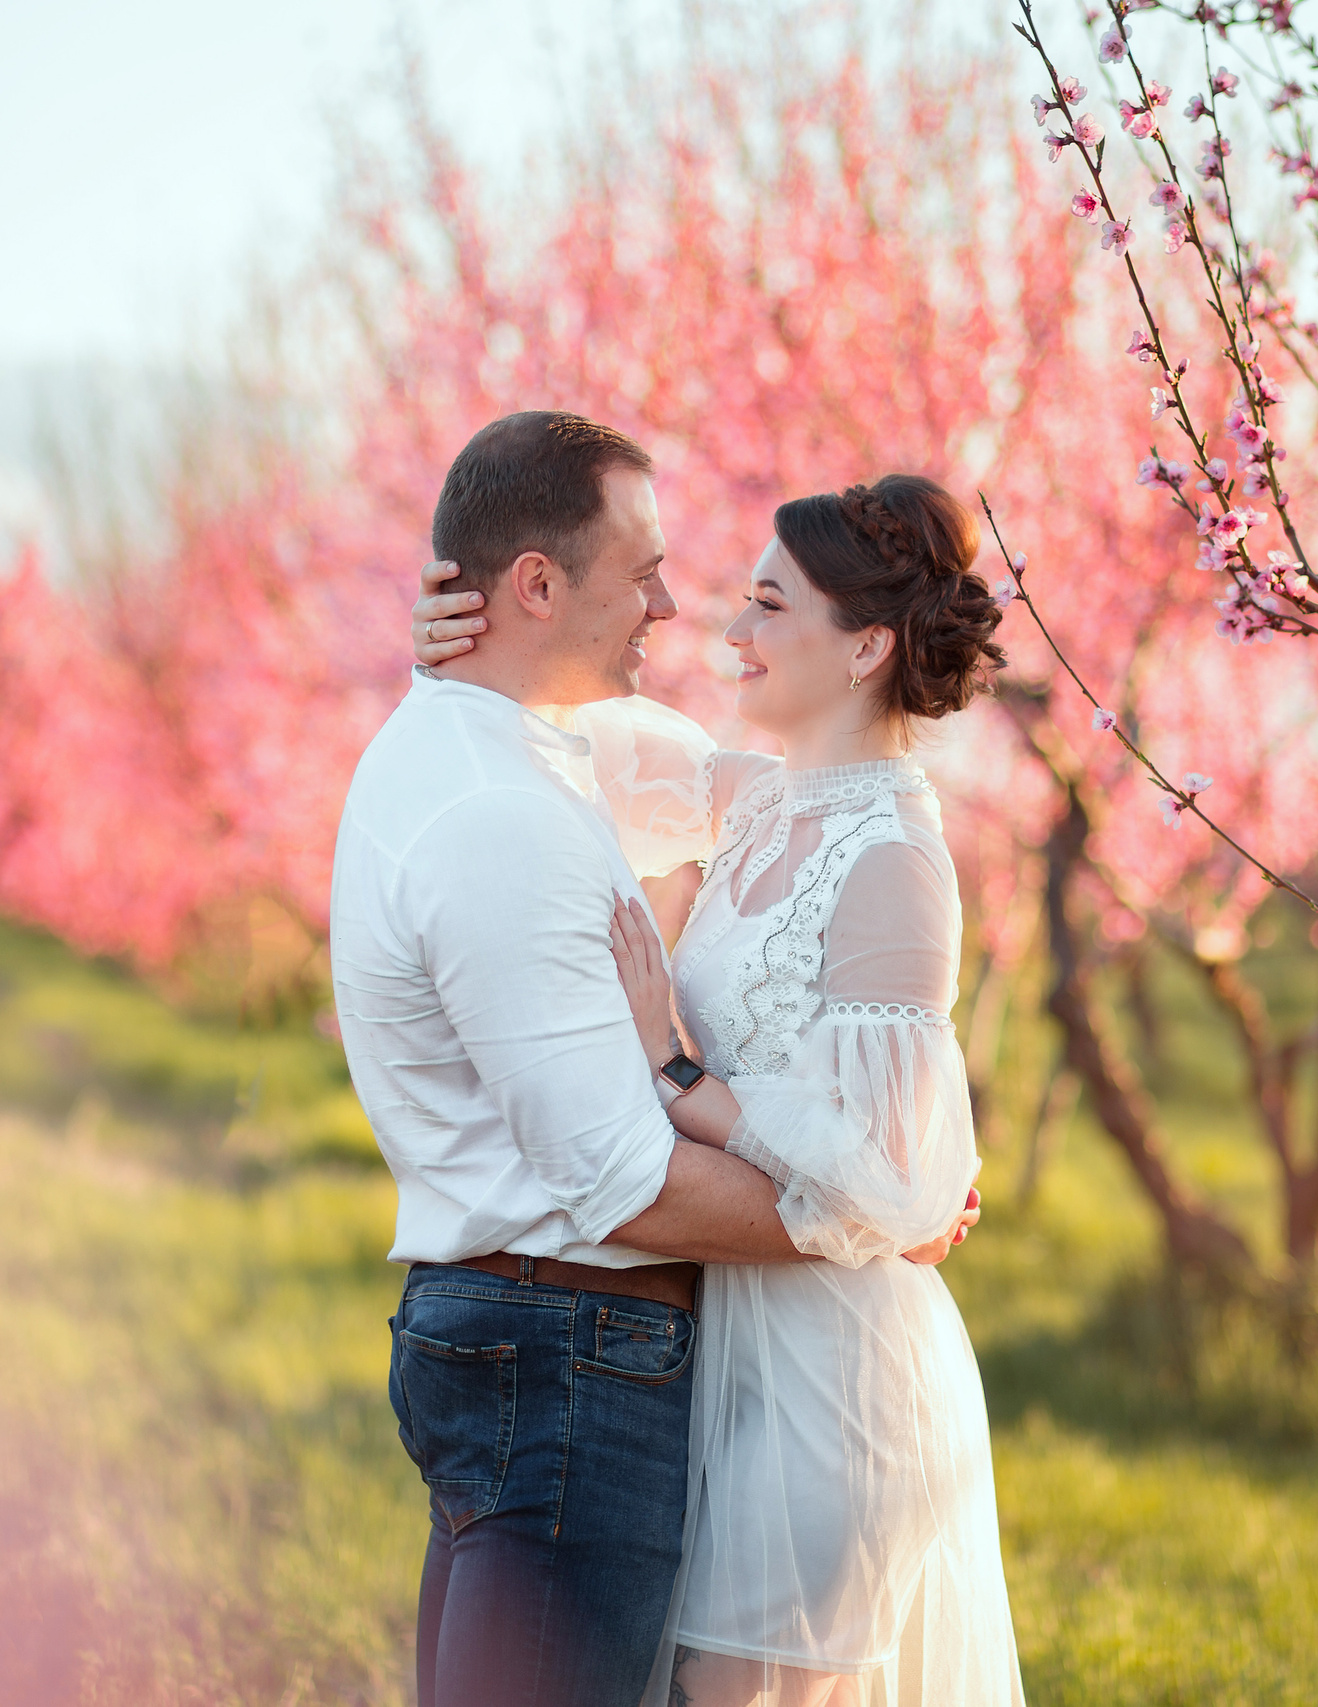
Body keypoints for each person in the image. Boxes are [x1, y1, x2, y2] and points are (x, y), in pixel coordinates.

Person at [332, 412, 974, 1707]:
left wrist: (723, 1104)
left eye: (762, 601)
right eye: (660, 577)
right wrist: (441, 665)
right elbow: (559, 734)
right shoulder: (743, 805)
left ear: (864, 644)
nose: (697, 617)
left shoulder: (891, 855)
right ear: (535, 584)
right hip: (669, 1349)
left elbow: (899, 1165)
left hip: (810, 1372)